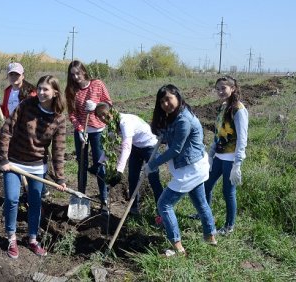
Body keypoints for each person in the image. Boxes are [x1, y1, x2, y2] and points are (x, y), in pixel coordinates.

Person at [0, 75, 67, 259]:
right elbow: (6, 129)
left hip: (37, 165)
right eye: (40, 88)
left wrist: (59, 177)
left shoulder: (58, 119)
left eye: (46, 89)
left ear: (55, 93)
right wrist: (3, 159)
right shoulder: (26, 105)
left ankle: (33, 239)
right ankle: (11, 237)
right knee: (12, 199)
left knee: (35, 203)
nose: (42, 92)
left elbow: (59, 150)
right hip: (14, 161)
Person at [146, 84, 217, 256]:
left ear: (177, 96)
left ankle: (177, 248)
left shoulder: (184, 119)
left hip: (190, 169)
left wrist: (153, 164)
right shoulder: (176, 115)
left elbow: (175, 150)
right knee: (200, 203)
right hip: (194, 165)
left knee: (164, 204)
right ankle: (210, 237)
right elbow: (172, 138)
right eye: (162, 101)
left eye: (168, 99)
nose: (165, 104)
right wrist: (162, 132)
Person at [193, 76, 248, 236]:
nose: (220, 91)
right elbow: (218, 134)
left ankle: (229, 226)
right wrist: (210, 155)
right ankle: (204, 214)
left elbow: (242, 138)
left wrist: (237, 163)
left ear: (233, 88)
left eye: (223, 88)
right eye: (217, 89)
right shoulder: (223, 107)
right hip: (219, 156)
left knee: (228, 192)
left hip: (231, 159)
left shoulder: (239, 110)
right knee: (206, 186)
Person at [94, 102, 163, 218]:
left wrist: (119, 171)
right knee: (132, 178)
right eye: (99, 116)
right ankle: (134, 209)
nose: (103, 118)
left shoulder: (124, 122)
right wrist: (99, 163)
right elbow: (109, 145)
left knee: (153, 178)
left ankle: (161, 212)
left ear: (112, 111)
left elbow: (126, 147)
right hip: (137, 147)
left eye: (104, 115)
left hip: (150, 146)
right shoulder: (112, 124)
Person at [65, 60, 112, 212]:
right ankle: (81, 196)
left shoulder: (97, 84)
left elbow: (108, 103)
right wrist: (79, 129)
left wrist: (97, 106)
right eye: (72, 75)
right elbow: (72, 114)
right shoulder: (71, 90)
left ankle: (104, 200)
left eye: (78, 73)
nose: (76, 77)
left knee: (100, 165)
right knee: (82, 165)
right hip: (82, 132)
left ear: (84, 72)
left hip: (98, 130)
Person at [0, 62, 50, 197]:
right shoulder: (7, 91)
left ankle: (41, 188)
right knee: (17, 161)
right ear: (8, 76)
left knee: (33, 159)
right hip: (13, 132)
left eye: (17, 74)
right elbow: (6, 112)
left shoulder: (31, 92)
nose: (14, 77)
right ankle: (26, 190)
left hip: (30, 133)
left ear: (23, 75)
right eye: (11, 74)